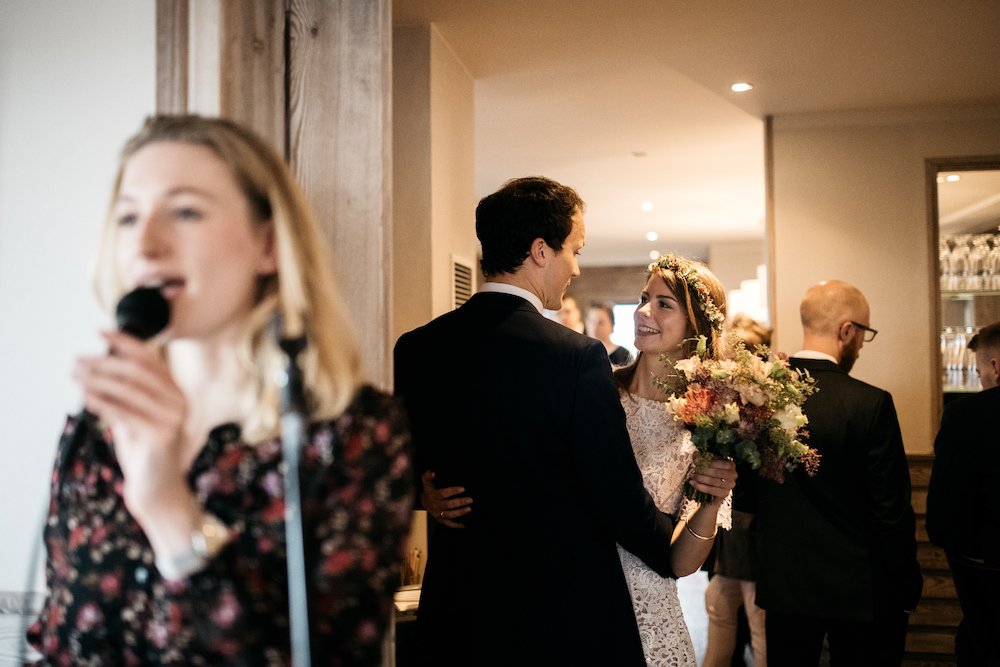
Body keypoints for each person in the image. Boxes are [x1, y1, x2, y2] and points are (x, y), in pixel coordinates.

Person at [27, 115, 414, 665]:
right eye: (128, 216)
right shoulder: (97, 429)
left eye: (185, 212)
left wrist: (169, 508)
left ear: (268, 244)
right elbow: (60, 635)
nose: (146, 244)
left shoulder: (354, 434)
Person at [394, 177, 710, 666]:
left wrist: (423, 493)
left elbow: (395, 466)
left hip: (457, 612)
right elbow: (615, 493)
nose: (576, 269)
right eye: (574, 251)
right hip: (552, 615)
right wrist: (668, 547)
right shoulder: (576, 358)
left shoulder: (418, 348)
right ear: (541, 251)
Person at [753, 279, 923, 666]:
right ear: (847, 330)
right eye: (863, 334)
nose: (861, 345)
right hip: (859, 591)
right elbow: (890, 512)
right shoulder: (870, 404)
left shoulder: (759, 397)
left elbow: (747, 495)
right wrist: (906, 582)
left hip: (785, 586)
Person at [926, 320, 1000, 666]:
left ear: (995, 366)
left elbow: (943, 518)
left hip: (988, 582)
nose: (981, 379)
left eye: (980, 372)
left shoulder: (965, 415)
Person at [702, 314, 772, 667]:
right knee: (719, 608)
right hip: (728, 528)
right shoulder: (718, 405)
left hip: (758, 529)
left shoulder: (769, 410)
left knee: (758, 622)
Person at [585, 301, 634, 366]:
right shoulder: (581, 353)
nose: (595, 327)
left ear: (611, 325)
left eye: (601, 323)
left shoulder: (623, 355)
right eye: (592, 321)